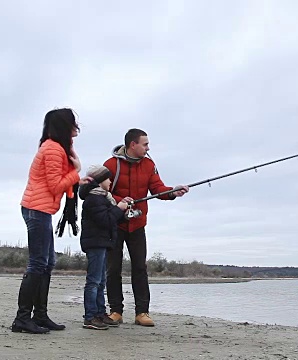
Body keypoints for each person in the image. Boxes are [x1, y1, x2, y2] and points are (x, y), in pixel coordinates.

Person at [11, 108, 92, 334]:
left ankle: (40, 316)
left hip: (41, 209)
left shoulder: (56, 148)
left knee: (47, 263)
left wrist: (77, 178)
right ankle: (22, 318)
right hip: (36, 209)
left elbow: (57, 181)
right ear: (65, 126)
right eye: (74, 123)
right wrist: (76, 171)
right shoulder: (53, 149)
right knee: (38, 263)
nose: (77, 127)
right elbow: (55, 185)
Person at [104, 128, 189, 327]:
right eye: (145, 144)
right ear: (133, 145)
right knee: (113, 268)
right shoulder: (110, 165)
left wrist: (172, 192)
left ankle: (142, 313)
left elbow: (157, 189)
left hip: (138, 224)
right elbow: (101, 190)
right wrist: (119, 200)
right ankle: (115, 311)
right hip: (115, 224)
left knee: (140, 268)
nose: (148, 148)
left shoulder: (149, 164)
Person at [78, 165, 133, 330]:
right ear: (100, 180)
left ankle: (100, 314)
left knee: (101, 281)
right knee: (94, 281)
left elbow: (112, 218)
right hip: (95, 244)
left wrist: (124, 212)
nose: (110, 181)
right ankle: (90, 317)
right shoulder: (93, 198)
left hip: (102, 243)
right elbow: (105, 220)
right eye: (108, 178)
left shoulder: (104, 198)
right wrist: (118, 208)